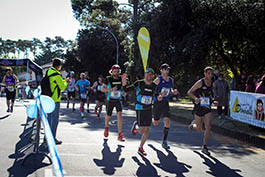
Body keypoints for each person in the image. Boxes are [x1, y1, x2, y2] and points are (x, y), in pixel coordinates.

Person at [123, 68, 159, 155]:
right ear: (145, 75)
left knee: (147, 129)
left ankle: (141, 147)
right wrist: (124, 84)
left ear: (153, 76)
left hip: (149, 109)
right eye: (147, 74)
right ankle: (136, 126)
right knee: (142, 130)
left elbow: (157, 95)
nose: (149, 75)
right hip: (140, 108)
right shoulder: (139, 83)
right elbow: (127, 89)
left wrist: (160, 96)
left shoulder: (154, 86)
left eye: (151, 74)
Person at [187, 66, 214, 156]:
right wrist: (195, 98)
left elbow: (210, 94)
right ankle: (193, 125)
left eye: (211, 73)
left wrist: (213, 100)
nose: (210, 75)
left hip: (207, 107)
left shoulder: (212, 82)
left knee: (208, 125)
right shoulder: (200, 82)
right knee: (199, 129)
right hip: (198, 107)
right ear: (205, 73)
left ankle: (204, 146)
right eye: (208, 73)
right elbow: (189, 92)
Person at [153, 63, 179, 149]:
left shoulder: (171, 80)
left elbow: (170, 88)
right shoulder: (158, 79)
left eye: (168, 69)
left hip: (165, 102)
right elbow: (151, 89)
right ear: (161, 70)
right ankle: (147, 120)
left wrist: (173, 91)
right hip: (158, 102)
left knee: (167, 121)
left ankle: (164, 141)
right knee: (156, 123)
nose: (167, 71)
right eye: (165, 69)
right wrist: (158, 96)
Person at [46, 58, 69, 145]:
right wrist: (66, 81)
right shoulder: (56, 74)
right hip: (55, 99)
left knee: (49, 118)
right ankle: (52, 138)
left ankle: (46, 137)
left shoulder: (49, 71)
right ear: (59, 66)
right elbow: (62, 87)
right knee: (54, 120)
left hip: (48, 98)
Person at [101, 65, 125, 141]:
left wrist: (124, 92)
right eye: (115, 71)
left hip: (118, 100)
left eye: (118, 71)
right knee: (108, 115)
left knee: (120, 115)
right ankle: (106, 127)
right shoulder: (108, 79)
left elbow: (124, 87)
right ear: (112, 72)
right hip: (110, 100)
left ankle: (120, 134)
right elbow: (102, 89)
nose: (116, 73)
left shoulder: (121, 78)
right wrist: (111, 89)